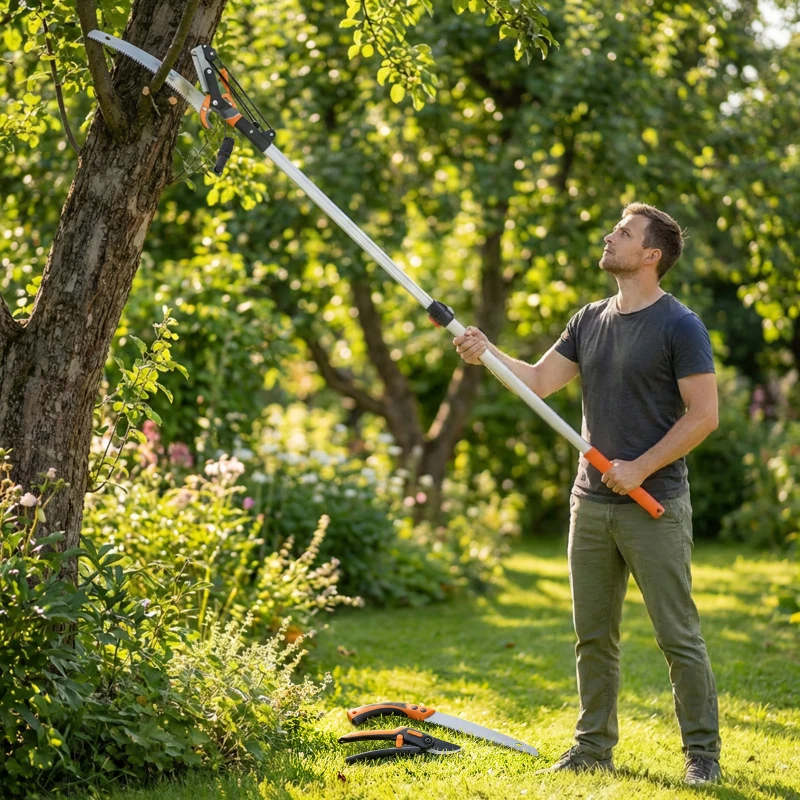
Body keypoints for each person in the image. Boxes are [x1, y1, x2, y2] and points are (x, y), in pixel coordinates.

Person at [453, 203, 721, 786]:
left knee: (677, 635)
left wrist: (641, 467)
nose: (610, 236)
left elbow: (704, 416)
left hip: (655, 506)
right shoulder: (589, 319)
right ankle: (592, 746)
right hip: (592, 504)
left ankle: (702, 754)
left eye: (623, 233)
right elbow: (541, 381)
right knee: (593, 634)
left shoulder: (681, 326)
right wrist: (487, 353)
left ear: (651, 255)